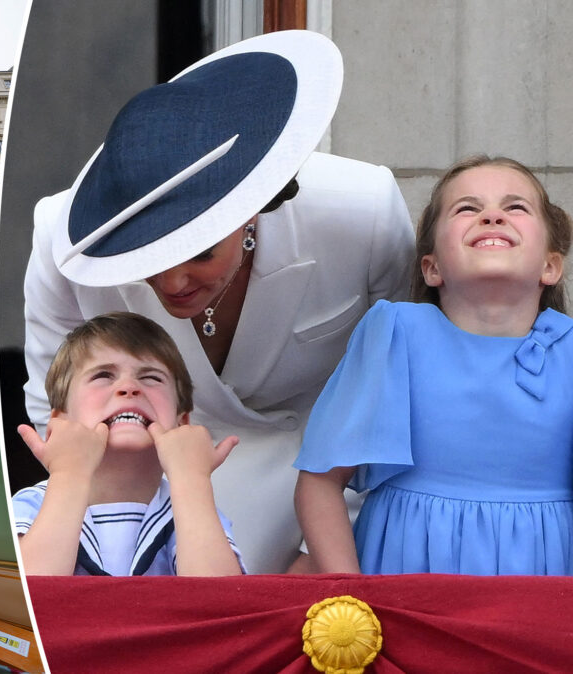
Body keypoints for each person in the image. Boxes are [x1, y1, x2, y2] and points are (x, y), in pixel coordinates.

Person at [22, 30, 415, 573]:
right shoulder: (58, 235)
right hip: (152, 488)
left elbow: (391, 398)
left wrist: (327, 548)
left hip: (322, 482)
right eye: (145, 256)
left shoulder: (364, 213)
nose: (174, 279)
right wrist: (107, 540)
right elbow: (57, 405)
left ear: (253, 210)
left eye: (199, 251)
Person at [294, 155, 573, 575]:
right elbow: (320, 482)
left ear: (551, 265)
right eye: (467, 208)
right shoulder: (395, 334)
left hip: (545, 586)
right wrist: (350, 595)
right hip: (405, 580)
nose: (492, 217)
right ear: (432, 267)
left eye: (515, 207)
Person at [12, 311, 244, 576]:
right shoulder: (31, 506)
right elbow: (31, 595)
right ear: (61, 421)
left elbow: (219, 601)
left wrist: (191, 478)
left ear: (182, 423)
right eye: (103, 375)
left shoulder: (189, 504)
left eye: (151, 378)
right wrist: (68, 473)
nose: (129, 387)